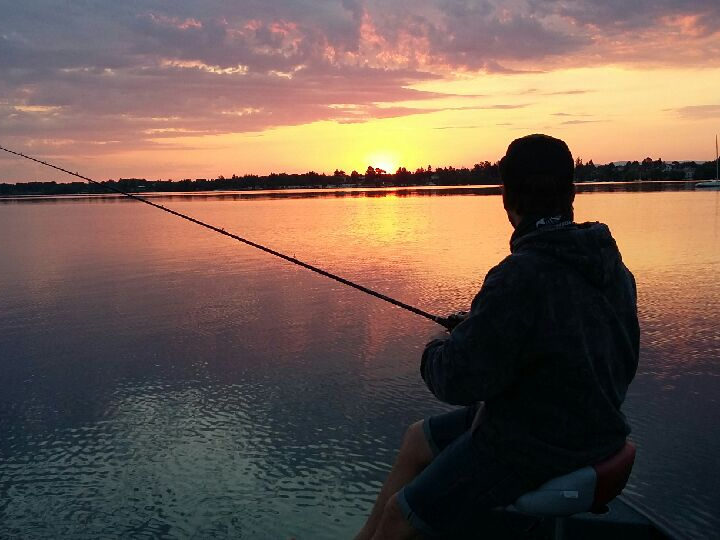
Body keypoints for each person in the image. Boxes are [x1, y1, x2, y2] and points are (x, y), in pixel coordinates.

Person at [355, 134, 639, 539]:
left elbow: (460, 380)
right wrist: (480, 327)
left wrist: (436, 350)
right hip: (596, 426)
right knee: (418, 438)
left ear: (508, 199)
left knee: (403, 515)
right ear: (571, 192)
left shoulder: (518, 276)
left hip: (536, 444)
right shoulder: (611, 264)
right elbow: (590, 348)